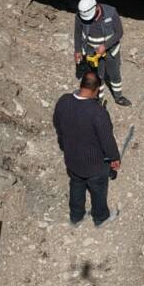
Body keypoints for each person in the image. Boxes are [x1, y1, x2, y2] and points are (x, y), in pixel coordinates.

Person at [53, 70, 122, 227]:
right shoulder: (98, 113)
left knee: (76, 185)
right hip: (94, 165)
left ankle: (76, 216)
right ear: (96, 90)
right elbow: (107, 140)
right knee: (98, 190)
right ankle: (101, 217)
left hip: (72, 159)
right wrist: (114, 157)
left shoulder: (64, 101)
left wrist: (64, 143)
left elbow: (57, 124)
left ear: (81, 84)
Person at [74, 0, 131, 106]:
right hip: (92, 51)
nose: (89, 20)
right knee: (97, 77)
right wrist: (77, 50)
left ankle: (118, 97)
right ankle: (98, 99)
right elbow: (77, 33)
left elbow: (119, 33)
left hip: (110, 51)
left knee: (114, 74)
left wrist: (105, 46)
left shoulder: (111, 12)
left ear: (96, 8)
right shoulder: (80, 15)